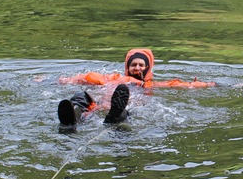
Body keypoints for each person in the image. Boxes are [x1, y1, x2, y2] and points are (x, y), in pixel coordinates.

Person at [56, 48, 214, 128]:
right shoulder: (114, 77)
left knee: (126, 108)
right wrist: (56, 80)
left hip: (128, 104)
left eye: (141, 65)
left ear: (147, 67)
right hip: (100, 104)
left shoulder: (149, 85)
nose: (137, 67)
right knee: (81, 96)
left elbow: (177, 85)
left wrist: (208, 84)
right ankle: (74, 116)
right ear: (127, 66)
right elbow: (85, 77)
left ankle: (116, 116)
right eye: (133, 64)